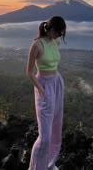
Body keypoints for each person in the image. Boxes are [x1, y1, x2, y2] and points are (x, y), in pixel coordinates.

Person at [26, 16, 67, 170]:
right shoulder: (37, 45)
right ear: (50, 29)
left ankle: (49, 164)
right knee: (45, 137)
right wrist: (40, 88)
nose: (59, 36)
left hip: (57, 82)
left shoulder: (55, 42)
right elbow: (29, 72)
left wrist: (57, 82)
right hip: (44, 85)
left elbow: (54, 61)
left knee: (56, 127)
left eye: (61, 34)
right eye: (58, 32)